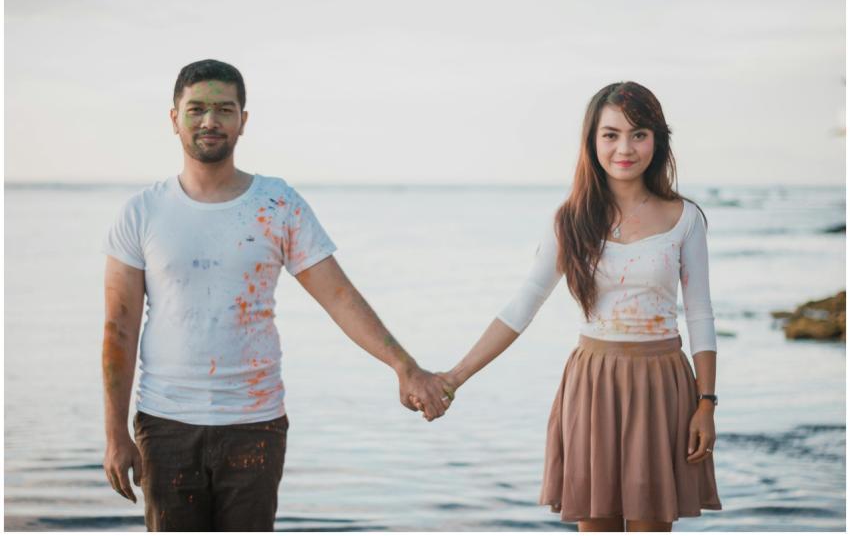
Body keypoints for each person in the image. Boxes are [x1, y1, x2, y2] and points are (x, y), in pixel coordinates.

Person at [100, 59, 454, 531]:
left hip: (255, 423)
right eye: (197, 109)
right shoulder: (141, 212)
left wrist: (404, 366)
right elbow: (118, 328)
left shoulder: (276, 203)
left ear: (243, 120)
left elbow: (339, 297)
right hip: (166, 422)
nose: (210, 121)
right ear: (174, 118)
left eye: (224, 109)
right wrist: (114, 434)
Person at [413, 82, 722, 531]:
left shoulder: (685, 218)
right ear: (592, 140)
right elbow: (522, 306)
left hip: (664, 385)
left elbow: (700, 314)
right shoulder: (571, 220)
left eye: (639, 134)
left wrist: (707, 403)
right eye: (611, 134)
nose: (625, 148)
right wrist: (453, 378)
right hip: (593, 386)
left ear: (658, 140)